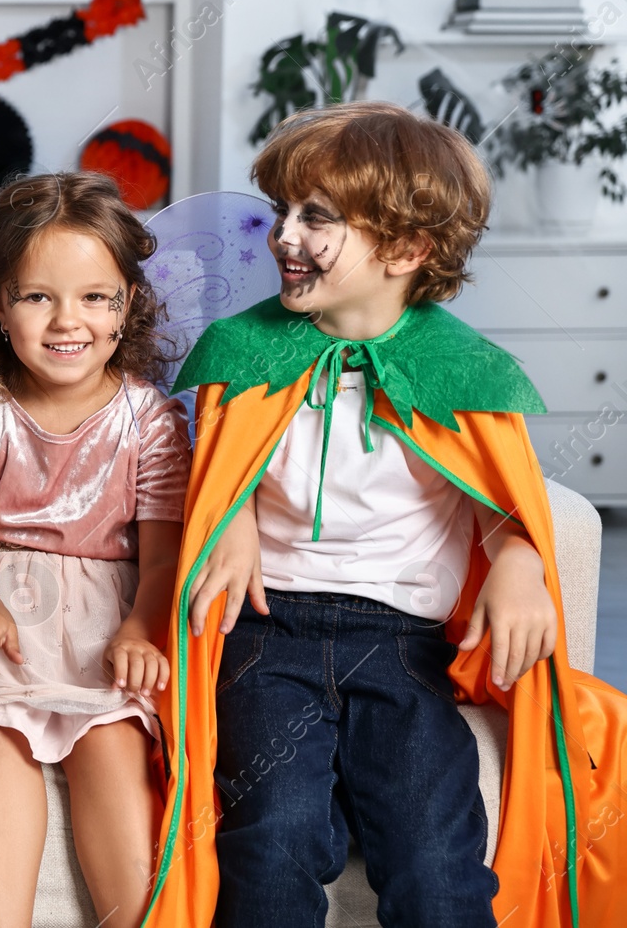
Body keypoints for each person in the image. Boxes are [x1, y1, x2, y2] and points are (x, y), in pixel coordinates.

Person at [144, 102, 627, 927]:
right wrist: (230, 523)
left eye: (316, 218)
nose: (284, 237)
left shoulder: (460, 370)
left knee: (435, 858)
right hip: (269, 636)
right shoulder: (245, 354)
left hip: (404, 646)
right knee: (270, 844)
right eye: (283, 211)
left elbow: (502, 499)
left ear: (406, 249)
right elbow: (219, 475)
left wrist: (518, 562)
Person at [0, 172, 188, 928]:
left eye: (95, 296)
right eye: (38, 296)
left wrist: (141, 628)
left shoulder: (150, 419)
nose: (67, 320)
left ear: (127, 304)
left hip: (112, 617)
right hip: (5, 607)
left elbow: (166, 555)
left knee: (111, 739)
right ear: (0, 304)